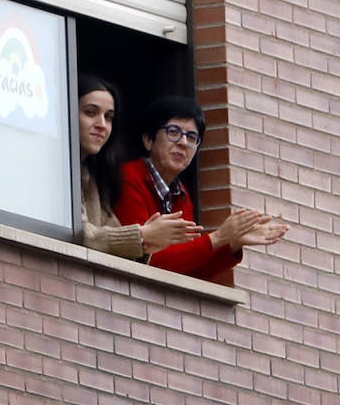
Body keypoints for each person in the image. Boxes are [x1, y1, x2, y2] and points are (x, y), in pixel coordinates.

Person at [114, 95, 286, 281]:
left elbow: (189, 271)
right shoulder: (128, 177)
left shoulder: (181, 194)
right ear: (148, 140)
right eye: (173, 132)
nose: (183, 143)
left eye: (192, 137)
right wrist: (219, 238)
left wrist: (232, 243)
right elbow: (145, 261)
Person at [76, 75, 203, 260]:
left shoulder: (97, 175)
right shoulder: (127, 175)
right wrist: (143, 237)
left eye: (109, 117)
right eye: (90, 112)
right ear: (148, 140)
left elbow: (112, 231)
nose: (102, 125)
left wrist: (145, 241)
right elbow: (77, 233)